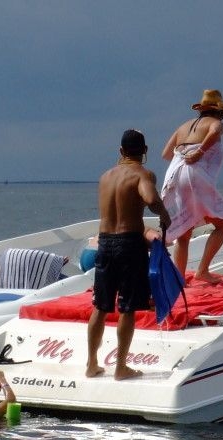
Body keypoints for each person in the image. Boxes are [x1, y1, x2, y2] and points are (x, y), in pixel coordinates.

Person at [86, 130, 171, 380]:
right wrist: (163, 213)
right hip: (129, 245)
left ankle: (91, 364)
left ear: (121, 151)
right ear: (144, 152)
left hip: (105, 243)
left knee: (99, 307)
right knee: (127, 307)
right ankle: (121, 367)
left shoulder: (105, 177)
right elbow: (151, 198)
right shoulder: (142, 174)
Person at [161, 89, 223, 283]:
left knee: (184, 233)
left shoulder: (183, 126)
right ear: (219, 111)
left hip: (175, 175)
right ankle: (202, 271)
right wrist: (200, 151)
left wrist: (186, 151)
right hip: (193, 176)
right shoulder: (217, 123)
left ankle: (179, 278)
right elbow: (216, 130)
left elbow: (166, 154)